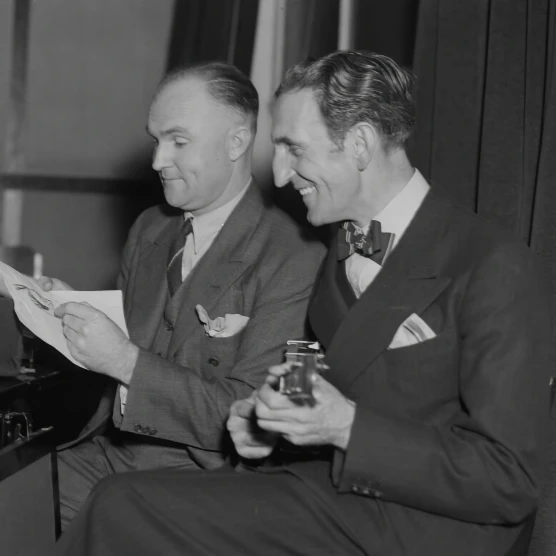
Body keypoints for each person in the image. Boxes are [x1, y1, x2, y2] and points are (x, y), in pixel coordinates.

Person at [57, 51, 553, 556]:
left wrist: (348, 427)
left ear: (358, 143)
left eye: (294, 149)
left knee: (123, 506)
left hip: (428, 530)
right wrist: (267, 425)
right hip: (332, 499)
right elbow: (310, 391)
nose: (278, 175)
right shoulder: (338, 251)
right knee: (119, 502)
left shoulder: (495, 264)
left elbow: (509, 481)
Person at [41, 61, 326, 527]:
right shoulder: (150, 228)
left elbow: (250, 419)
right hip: (110, 452)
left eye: (178, 141)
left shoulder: (294, 256)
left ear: (236, 142)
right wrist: (69, 311)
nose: (157, 161)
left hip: (209, 482)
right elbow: (127, 341)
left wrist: (123, 361)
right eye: (156, 140)